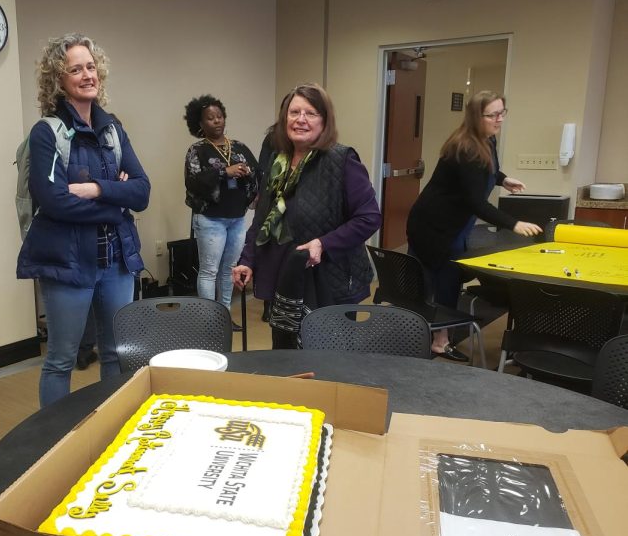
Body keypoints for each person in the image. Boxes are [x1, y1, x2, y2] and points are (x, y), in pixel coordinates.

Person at [17, 33, 150, 406]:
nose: (87, 75)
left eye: (90, 67)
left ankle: (107, 428)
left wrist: (94, 189)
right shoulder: (47, 133)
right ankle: (55, 442)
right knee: (61, 360)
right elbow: (54, 202)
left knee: (115, 353)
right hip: (68, 262)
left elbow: (142, 191)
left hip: (117, 262)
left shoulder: (113, 130)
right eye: (75, 69)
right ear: (59, 80)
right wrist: (115, 199)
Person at [232, 83, 381, 348]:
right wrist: (248, 260)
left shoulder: (342, 160)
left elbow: (369, 217)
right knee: (286, 354)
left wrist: (323, 243)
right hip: (284, 278)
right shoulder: (278, 162)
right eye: (294, 112)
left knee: (327, 360)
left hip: (329, 281)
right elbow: (262, 221)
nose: (300, 119)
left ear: (325, 120)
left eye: (310, 113)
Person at [406, 90, 543, 361]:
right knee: (443, 279)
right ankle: (438, 340)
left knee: (447, 277)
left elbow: (488, 169)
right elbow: (476, 203)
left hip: (450, 222)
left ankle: (431, 334)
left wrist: (503, 180)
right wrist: (513, 223)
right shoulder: (466, 148)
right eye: (492, 115)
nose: (499, 119)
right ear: (475, 116)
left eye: (502, 113)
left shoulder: (485, 140)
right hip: (434, 225)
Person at [183, 95, 258, 328]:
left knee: (229, 270)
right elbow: (193, 182)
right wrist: (224, 172)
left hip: (237, 218)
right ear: (200, 123)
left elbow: (259, 173)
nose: (217, 121)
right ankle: (207, 321)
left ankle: (223, 318)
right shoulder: (197, 150)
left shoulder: (239, 147)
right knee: (209, 271)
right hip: (210, 220)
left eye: (220, 116)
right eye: (210, 118)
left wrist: (248, 174)